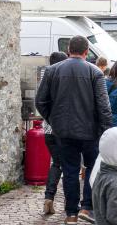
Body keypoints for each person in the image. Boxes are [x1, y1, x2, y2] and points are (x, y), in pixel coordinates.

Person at [36, 35, 112, 225]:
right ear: (87, 52)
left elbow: (40, 101)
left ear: (69, 49)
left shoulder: (52, 70)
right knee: (91, 169)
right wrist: (104, 130)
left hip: (64, 132)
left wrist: (54, 121)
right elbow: (104, 106)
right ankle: (86, 206)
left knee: (70, 171)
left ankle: (71, 214)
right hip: (90, 132)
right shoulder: (95, 72)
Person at [43, 51, 68, 216]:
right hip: (63, 128)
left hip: (48, 129)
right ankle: (69, 202)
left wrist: (48, 118)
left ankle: (48, 198)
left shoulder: (45, 78)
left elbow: (40, 102)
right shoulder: (64, 80)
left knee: (56, 164)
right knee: (69, 166)